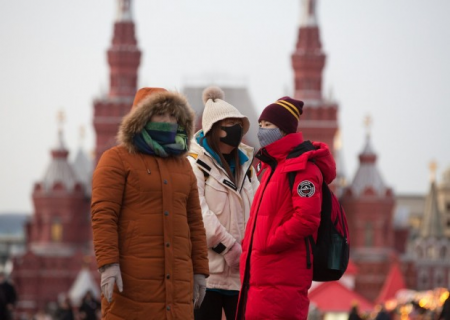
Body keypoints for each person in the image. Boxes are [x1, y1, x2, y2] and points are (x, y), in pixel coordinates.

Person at [91, 87, 209, 319]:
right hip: (132, 285)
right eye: (161, 115)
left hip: (177, 288)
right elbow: (103, 215)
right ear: (141, 119)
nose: (168, 121)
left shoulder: (183, 166)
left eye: (173, 116)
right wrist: (108, 264)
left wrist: (200, 271)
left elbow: (195, 222)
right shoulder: (116, 159)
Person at [236, 96, 336, 320]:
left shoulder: (302, 168)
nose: (262, 131)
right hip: (261, 274)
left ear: (284, 129)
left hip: (281, 273)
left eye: (268, 126)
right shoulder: (272, 167)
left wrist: (270, 240)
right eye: (260, 125)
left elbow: (307, 218)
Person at [188, 87, 259, 320]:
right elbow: (199, 213)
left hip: (242, 277)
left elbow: (259, 210)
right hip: (207, 276)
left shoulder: (246, 167)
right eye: (228, 123)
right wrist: (229, 247)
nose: (235, 129)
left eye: (237, 123)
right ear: (214, 130)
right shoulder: (196, 164)